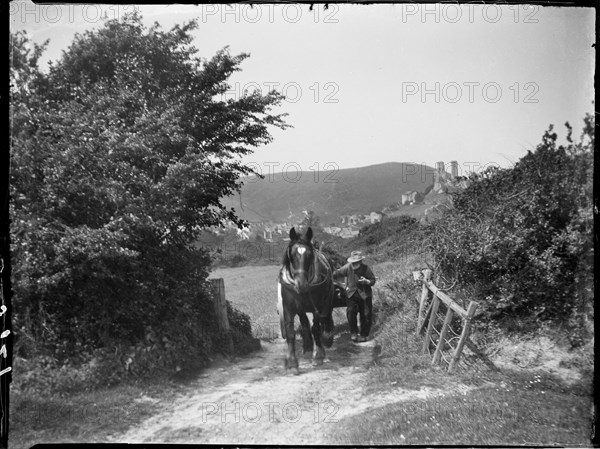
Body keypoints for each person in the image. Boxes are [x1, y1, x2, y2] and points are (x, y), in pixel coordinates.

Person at [333, 251, 376, 343]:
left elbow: (373, 280)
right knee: (350, 312)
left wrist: (367, 281)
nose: (354, 264)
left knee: (366, 314)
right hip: (351, 294)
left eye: (356, 262)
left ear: (360, 262)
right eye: (353, 262)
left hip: (365, 294)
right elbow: (337, 273)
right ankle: (354, 333)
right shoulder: (348, 267)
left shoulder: (366, 268)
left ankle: (364, 335)